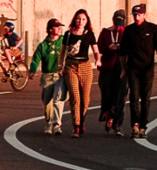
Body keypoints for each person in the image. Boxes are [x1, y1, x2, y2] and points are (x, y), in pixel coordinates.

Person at [119, 4, 157, 139]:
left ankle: (143, 126)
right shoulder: (128, 30)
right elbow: (122, 53)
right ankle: (134, 124)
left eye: (139, 15)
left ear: (144, 15)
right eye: (134, 15)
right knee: (134, 98)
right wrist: (123, 69)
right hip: (133, 68)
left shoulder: (152, 29)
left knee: (145, 98)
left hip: (147, 68)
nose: (137, 17)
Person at [62, 9, 101, 138]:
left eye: (83, 19)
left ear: (87, 21)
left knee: (85, 98)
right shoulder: (68, 34)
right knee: (75, 97)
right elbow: (63, 52)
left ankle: (82, 120)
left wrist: (98, 60)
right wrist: (59, 66)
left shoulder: (89, 34)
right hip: (70, 66)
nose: (80, 21)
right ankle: (76, 126)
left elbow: (95, 50)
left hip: (85, 66)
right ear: (75, 20)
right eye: (78, 19)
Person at [28, 18, 67, 135]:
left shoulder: (64, 42)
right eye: (56, 27)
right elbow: (36, 59)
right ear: (50, 29)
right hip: (47, 76)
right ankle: (48, 123)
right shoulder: (43, 45)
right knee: (47, 102)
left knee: (58, 100)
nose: (60, 29)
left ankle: (57, 124)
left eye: (60, 26)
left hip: (60, 76)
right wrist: (32, 71)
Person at [97, 11, 127, 134]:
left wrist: (121, 47)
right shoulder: (105, 32)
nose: (118, 26)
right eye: (116, 23)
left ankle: (117, 123)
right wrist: (109, 48)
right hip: (107, 68)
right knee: (107, 95)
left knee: (119, 97)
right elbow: (99, 47)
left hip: (121, 68)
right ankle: (108, 116)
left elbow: (130, 47)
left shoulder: (125, 32)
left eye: (120, 24)